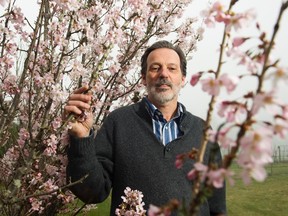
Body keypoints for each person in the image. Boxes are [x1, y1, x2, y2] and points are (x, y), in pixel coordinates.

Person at [65, 40, 226, 216]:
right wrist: (81, 139)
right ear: (143, 77)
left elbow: (217, 205)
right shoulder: (118, 122)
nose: (163, 74)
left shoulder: (203, 131)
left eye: (172, 68)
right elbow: (92, 191)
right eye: (155, 68)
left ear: (183, 79)